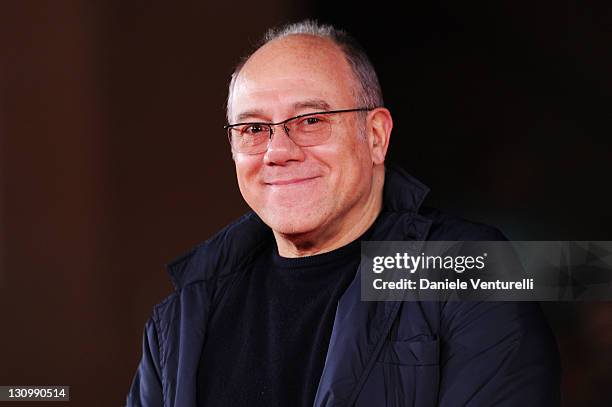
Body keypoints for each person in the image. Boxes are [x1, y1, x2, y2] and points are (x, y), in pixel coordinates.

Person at [127, 20, 560, 407]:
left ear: (375, 136)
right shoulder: (182, 317)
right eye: (254, 129)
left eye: (312, 120)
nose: (278, 152)